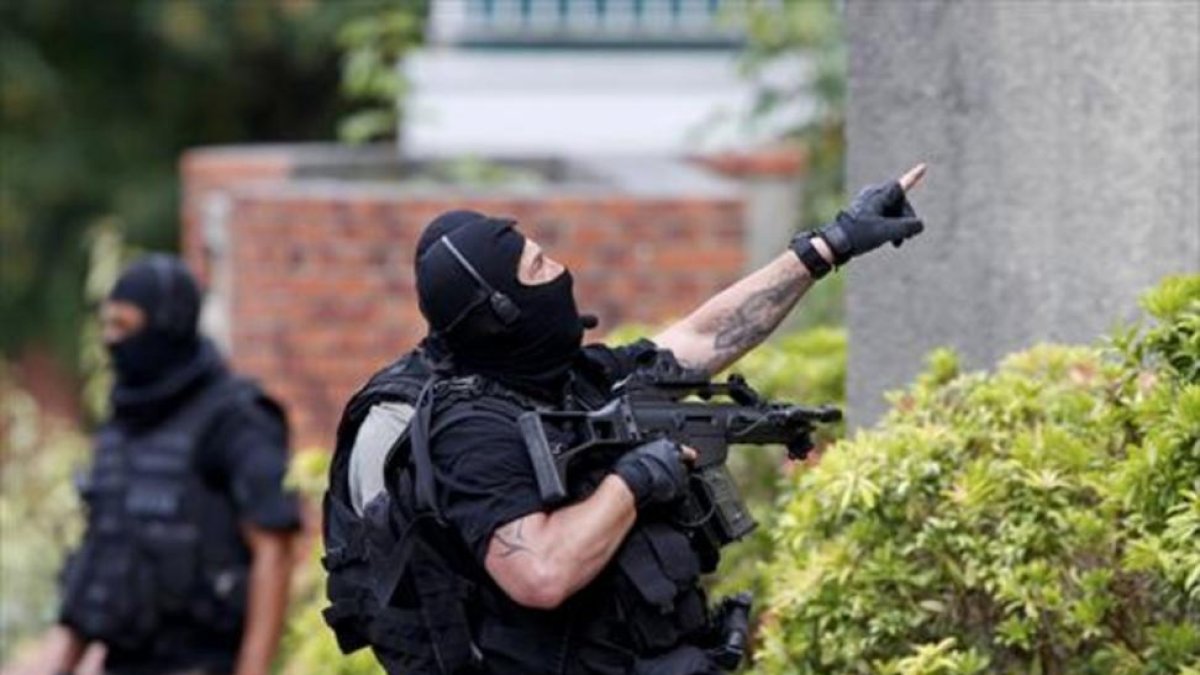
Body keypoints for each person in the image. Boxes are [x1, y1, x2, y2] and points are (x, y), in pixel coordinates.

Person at [338, 166, 927, 673]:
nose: (561, 269)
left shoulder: (570, 377)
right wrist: (635, 482)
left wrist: (831, 244)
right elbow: (539, 573)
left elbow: (700, 338)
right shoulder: (467, 431)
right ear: (502, 310)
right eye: (538, 266)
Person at [50, 255, 300, 675]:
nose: (111, 340)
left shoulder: (236, 418)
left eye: (124, 326)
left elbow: (274, 551)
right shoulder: (121, 425)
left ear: (168, 325)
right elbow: (100, 562)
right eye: (107, 326)